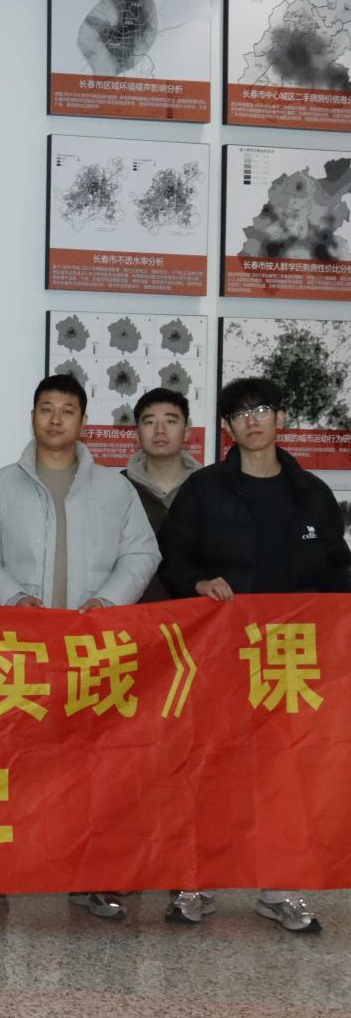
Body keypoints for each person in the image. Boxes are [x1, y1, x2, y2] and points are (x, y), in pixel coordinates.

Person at [0, 373, 158, 923]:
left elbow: (142, 553)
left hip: (92, 652)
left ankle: (97, 880)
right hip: (19, 651)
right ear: (32, 417)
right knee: (9, 766)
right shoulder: (0, 487)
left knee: (97, 771)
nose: (55, 419)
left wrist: (109, 601)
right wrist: (11, 598)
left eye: (67, 410)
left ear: (83, 421)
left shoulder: (115, 489)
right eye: (46, 408)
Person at [159, 376, 347, 934]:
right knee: (211, 765)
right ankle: (195, 881)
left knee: (289, 771)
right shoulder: (204, 490)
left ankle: (280, 888)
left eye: (262, 409)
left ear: (281, 418)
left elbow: (337, 571)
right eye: (240, 414)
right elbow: (172, 559)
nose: (252, 421)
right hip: (221, 653)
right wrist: (198, 584)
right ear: (227, 428)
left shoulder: (312, 493)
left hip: (293, 658)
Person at [123, 388, 198, 602]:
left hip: (199, 614)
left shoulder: (210, 487)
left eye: (171, 421)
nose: (160, 430)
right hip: (134, 613)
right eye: (149, 422)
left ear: (187, 431)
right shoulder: (118, 489)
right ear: (137, 434)